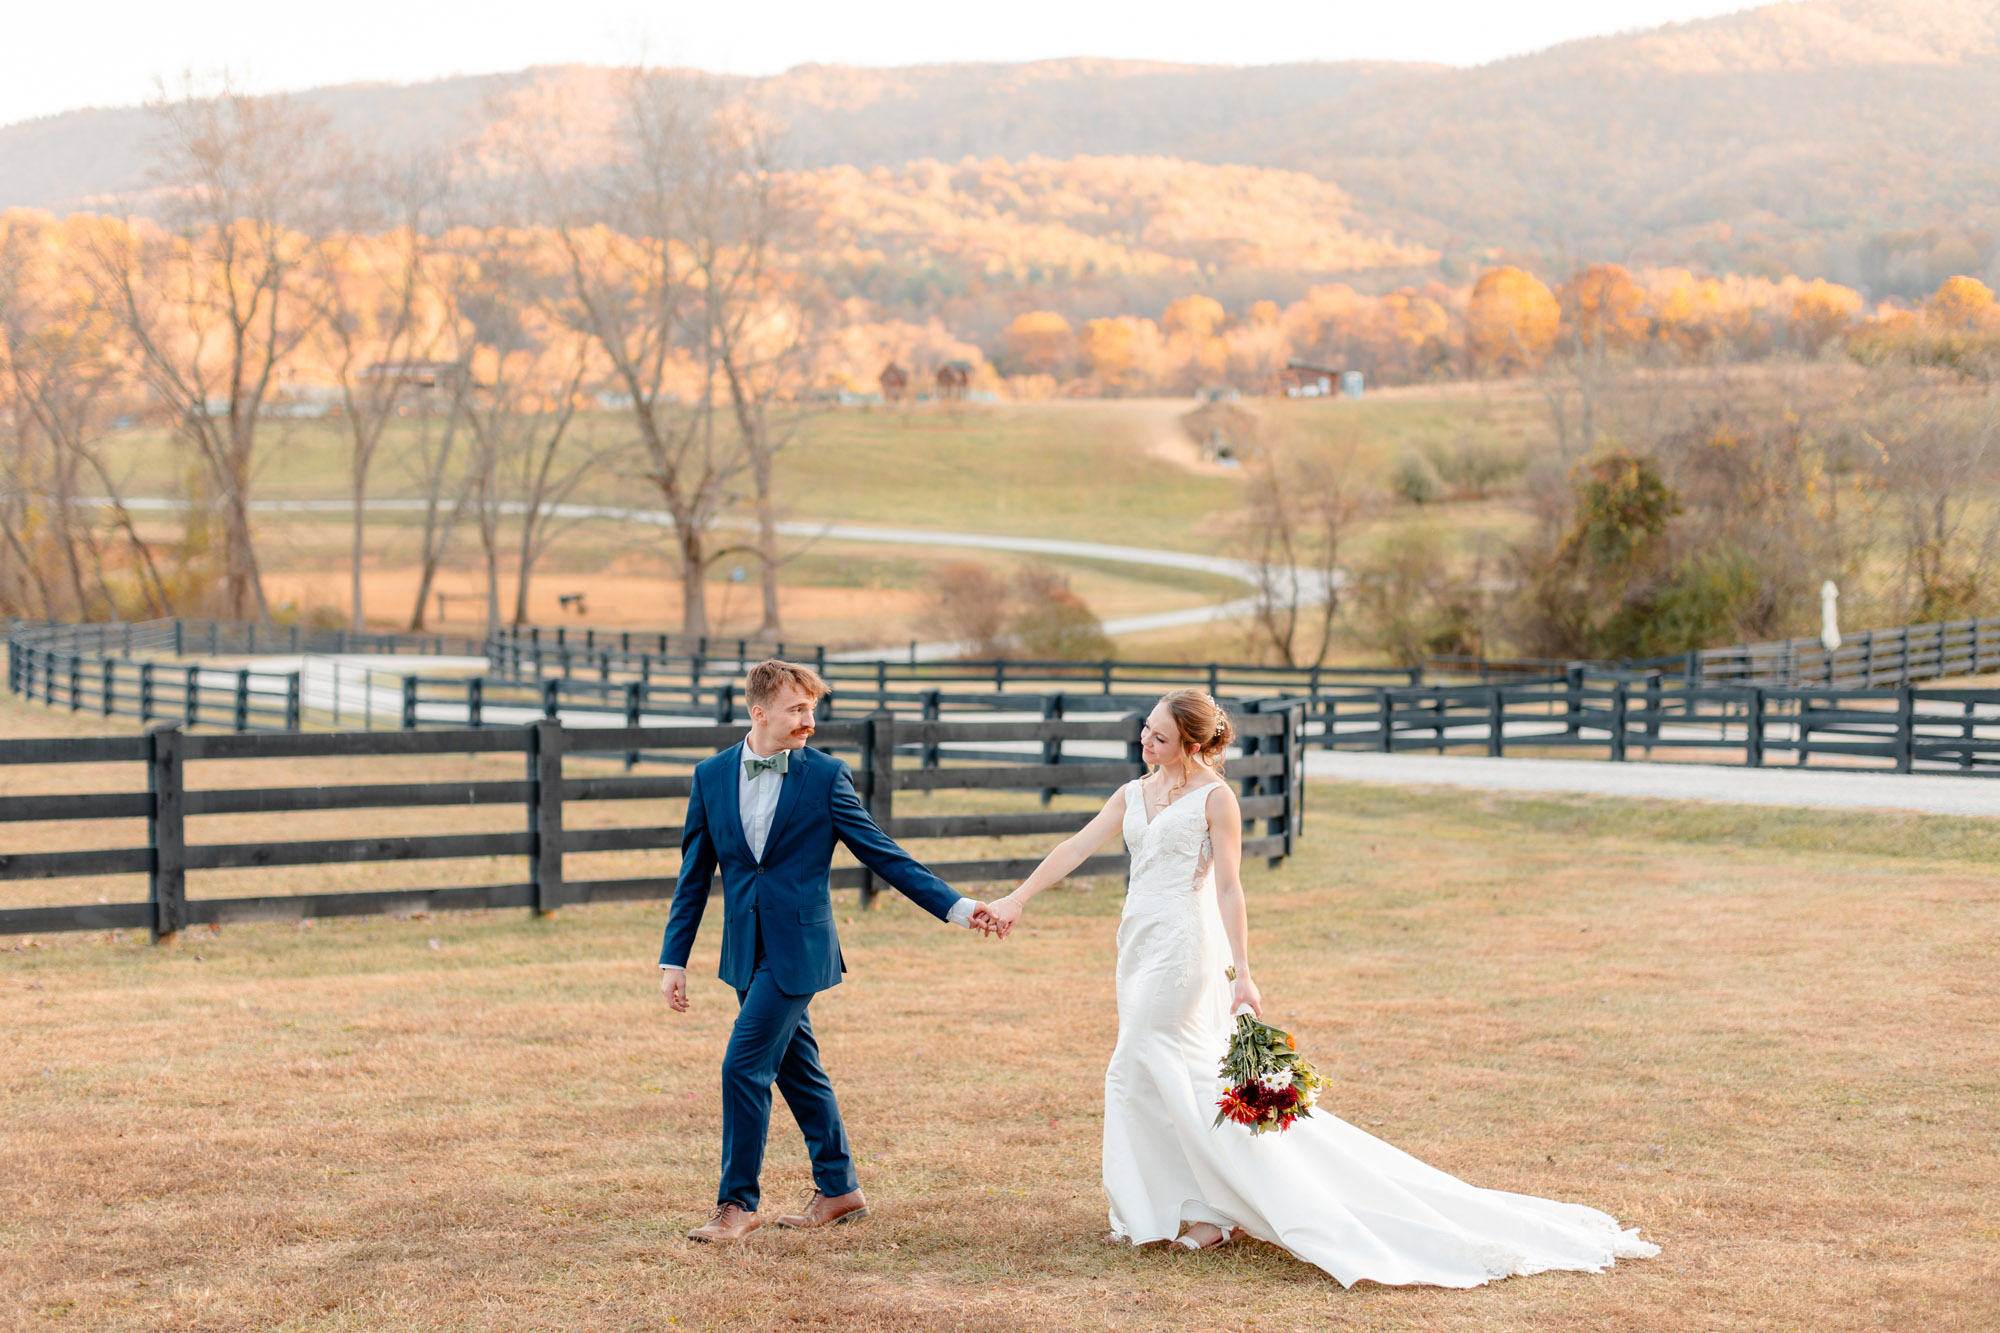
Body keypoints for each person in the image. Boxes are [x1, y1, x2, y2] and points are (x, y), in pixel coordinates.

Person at [978, 688, 1660, 1288]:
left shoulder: (1217, 798)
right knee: (1156, 1073)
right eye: (1144, 730)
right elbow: (1076, 845)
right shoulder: (1134, 791)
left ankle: (1209, 1211)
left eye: (1156, 734)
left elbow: (1229, 885)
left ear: (1188, 743)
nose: (1143, 740)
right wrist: (1018, 897)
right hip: (1136, 945)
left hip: (1185, 951)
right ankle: (1189, 1207)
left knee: (1139, 1066)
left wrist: (1244, 971)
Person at [658, 659, 1001, 1243]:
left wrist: (959, 906)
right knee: (799, 1070)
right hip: (744, 948)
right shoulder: (710, 776)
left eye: (813, 709)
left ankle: (737, 1204)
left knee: (743, 1066)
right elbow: (694, 874)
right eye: (797, 709)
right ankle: (839, 1188)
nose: (809, 721)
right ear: (758, 712)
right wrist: (674, 958)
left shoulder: (825, 776)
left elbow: (882, 853)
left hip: (801, 950)